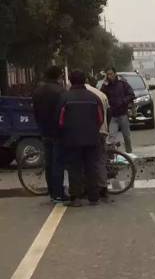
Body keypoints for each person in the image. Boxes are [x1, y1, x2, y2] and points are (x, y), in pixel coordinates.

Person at [58, 70, 104, 206]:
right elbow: (100, 119)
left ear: (71, 81)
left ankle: (76, 198)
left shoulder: (65, 98)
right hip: (91, 138)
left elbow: (60, 121)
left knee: (74, 168)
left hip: (72, 139)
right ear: (85, 81)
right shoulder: (94, 97)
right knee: (91, 167)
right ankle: (94, 198)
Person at [32, 66, 66, 203]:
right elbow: (64, 112)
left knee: (49, 163)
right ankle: (59, 193)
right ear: (58, 76)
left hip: (44, 131)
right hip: (58, 132)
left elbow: (35, 112)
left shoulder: (38, 91)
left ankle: (52, 192)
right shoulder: (60, 91)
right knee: (58, 163)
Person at [86, 76, 110, 200]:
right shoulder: (101, 94)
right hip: (102, 130)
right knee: (100, 160)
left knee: (87, 160)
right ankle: (103, 187)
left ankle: (89, 188)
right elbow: (108, 114)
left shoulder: (84, 94)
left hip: (90, 132)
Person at [100, 68, 134, 154]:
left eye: (111, 74)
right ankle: (111, 157)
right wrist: (104, 84)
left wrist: (123, 101)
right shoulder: (106, 85)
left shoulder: (122, 83)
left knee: (126, 136)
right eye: (108, 74)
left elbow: (131, 94)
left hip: (123, 114)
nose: (109, 76)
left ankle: (129, 154)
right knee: (111, 137)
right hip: (113, 116)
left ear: (115, 74)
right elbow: (101, 96)